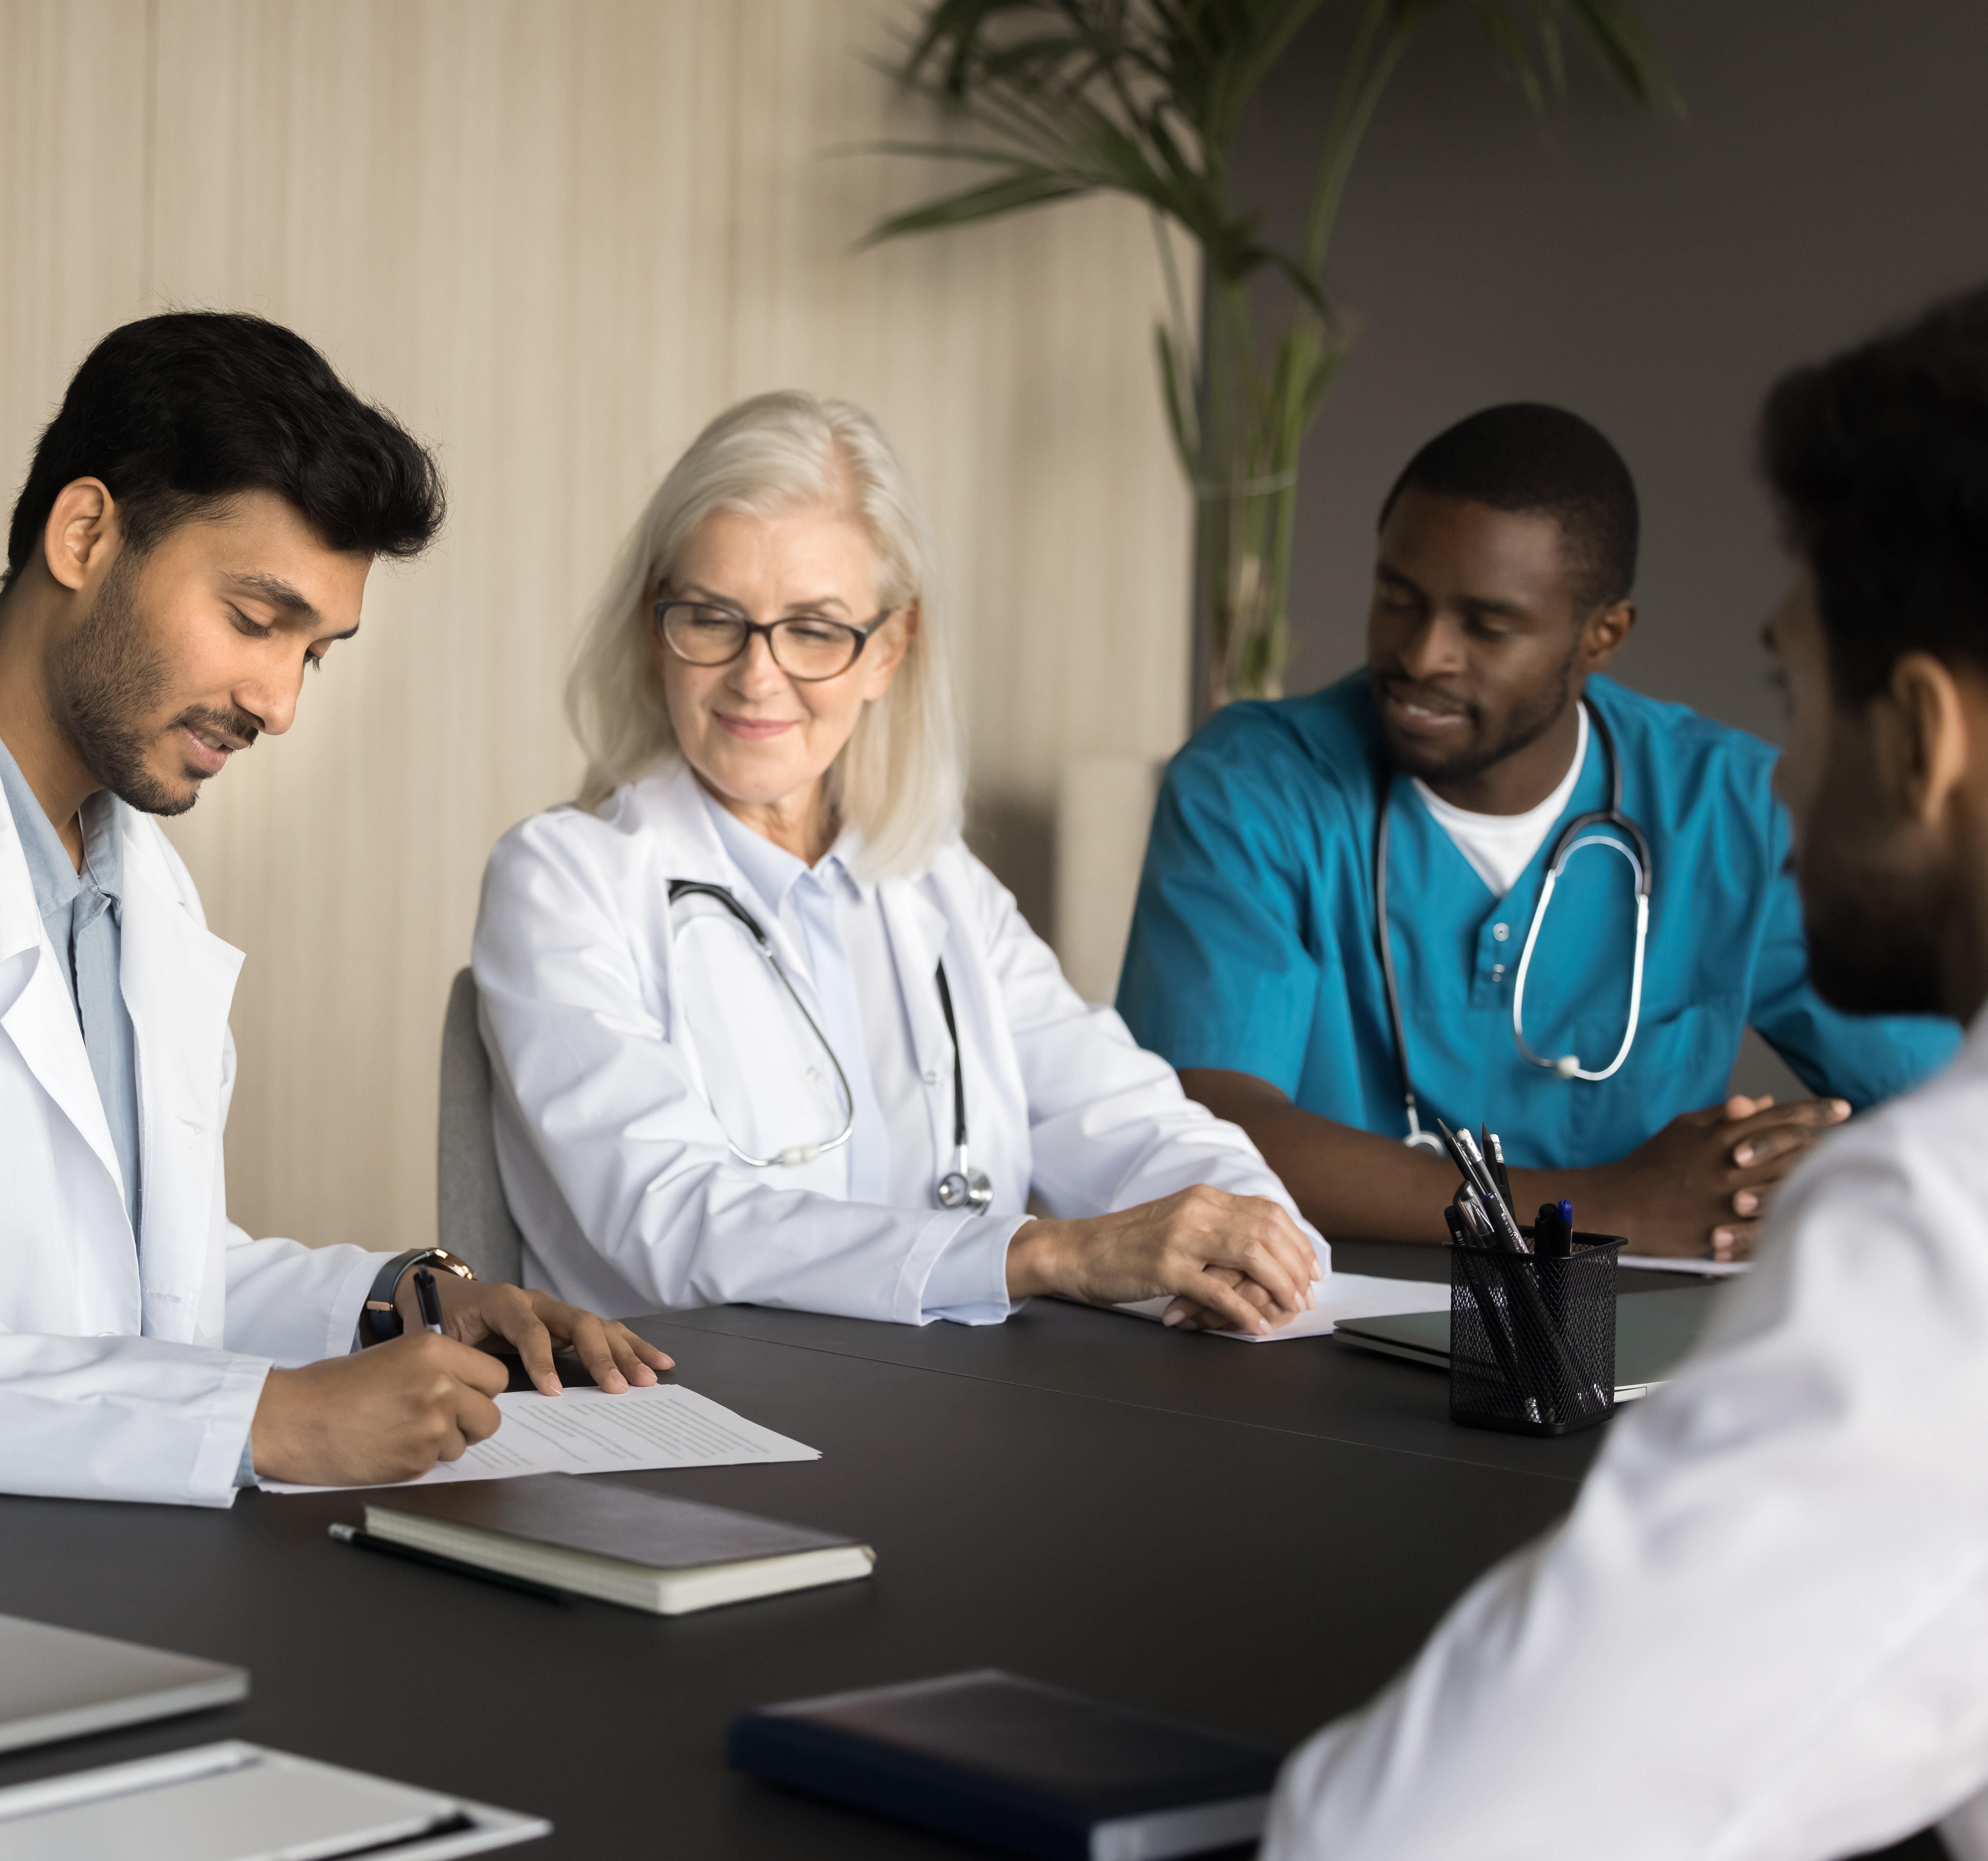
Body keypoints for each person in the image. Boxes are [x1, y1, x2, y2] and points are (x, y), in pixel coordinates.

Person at [0, 312, 670, 1507]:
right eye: (256, 621)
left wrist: (394, 1299)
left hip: (75, 1565)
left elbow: (132, 1285)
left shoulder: (129, 873)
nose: (278, 702)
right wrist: (266, 1417)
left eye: (312, 653)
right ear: (85, 534)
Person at [1263, 285, 1988, 1860]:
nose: (1775, 777)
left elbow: (1410, 1839)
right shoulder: (1269, 784)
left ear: (1924, 737)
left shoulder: (1951, 1232)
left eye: (1800, 701)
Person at [472, 392, 1323, 1333]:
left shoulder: (938, 885)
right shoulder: (561, 879)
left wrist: (1254, 1239)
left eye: (814, 629)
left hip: (953, 1413)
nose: (758, 677)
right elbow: (672, 1216)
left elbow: (1131, 1121)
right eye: (714, 619)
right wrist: (1045, 1253)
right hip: (694, 1418)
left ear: (889, 651)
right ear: (654, 624)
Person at [1118, 403, 1958, 1260]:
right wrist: (1603, 1202)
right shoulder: (1254, 785)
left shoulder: (1735, 811)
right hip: (1311, 1332)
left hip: (1629, 1348)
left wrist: (1780, 1170)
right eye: (1397, 599)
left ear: (1602, 636)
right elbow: (1204, 1125)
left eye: (1486, 626)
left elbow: (1954, 1091)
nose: (1422, 654)